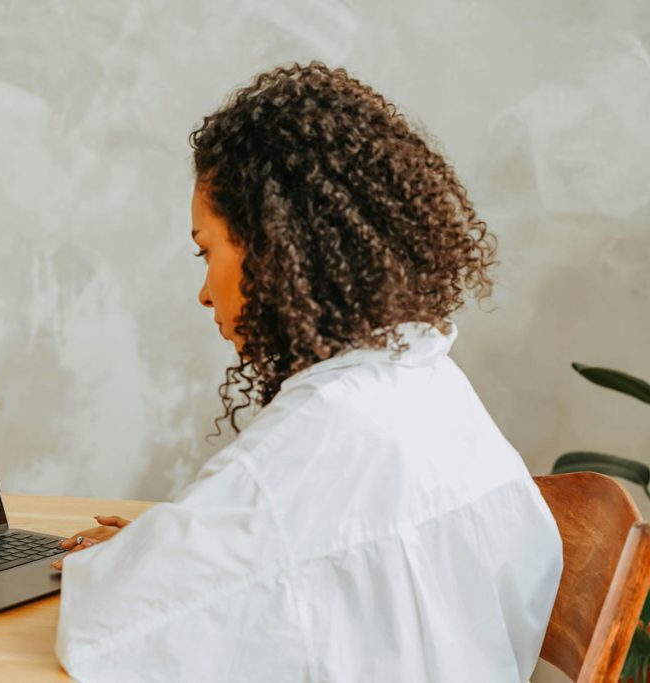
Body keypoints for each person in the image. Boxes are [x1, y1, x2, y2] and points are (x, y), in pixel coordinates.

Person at [52, 62, 563, 682]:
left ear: (272, 247)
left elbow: (100, 633)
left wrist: (132, 570)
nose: (205, 294)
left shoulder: (323, 435)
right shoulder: (429, 386)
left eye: (205, 250)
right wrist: (159, 557)